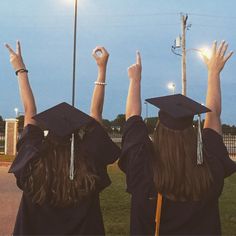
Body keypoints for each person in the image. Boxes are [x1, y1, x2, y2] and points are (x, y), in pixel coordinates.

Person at [118, 41, 236, 235]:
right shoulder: (209, 167)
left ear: (158, 130)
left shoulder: (142, 167)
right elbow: (213, 117)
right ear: (191, 130)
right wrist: (214, 73)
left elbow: (132, 117)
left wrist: (135, 79)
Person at [6, 41, 120, 235]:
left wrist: (21, 70)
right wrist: (101, 69)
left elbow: (29, 112)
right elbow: (95, 115)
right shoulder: (90, 167)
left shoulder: (32, 165)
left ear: (48, 135)